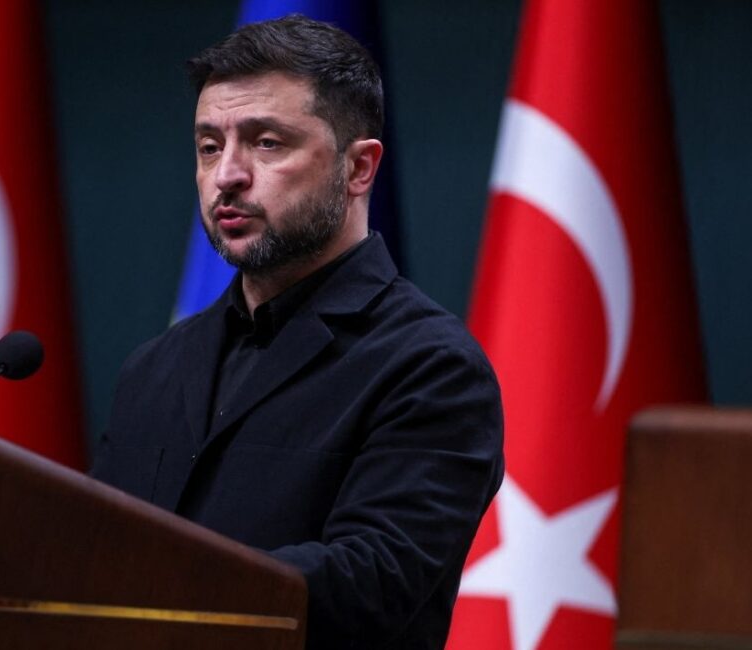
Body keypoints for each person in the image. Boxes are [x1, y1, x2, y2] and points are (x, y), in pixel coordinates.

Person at [91, 15, 504, 650]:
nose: (227, 174)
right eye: (209, 146)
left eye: (266, 143)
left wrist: (157, 585)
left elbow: (371, 586)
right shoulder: (154, 367)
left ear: (359, 168)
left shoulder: (431, 366)